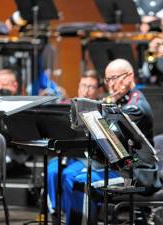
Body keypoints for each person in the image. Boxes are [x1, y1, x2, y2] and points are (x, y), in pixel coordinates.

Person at [67, 59, 159, 225]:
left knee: (83, 182)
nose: (111, 85)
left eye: (115, 78)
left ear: (129, 77)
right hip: (121, 169)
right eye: (108, 80)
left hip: (137, 174)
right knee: (75, 177)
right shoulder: (122, 101)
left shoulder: (136, 106)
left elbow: (110, 136)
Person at [47, 73, 101, 218]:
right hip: (68, 154)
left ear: (97, 91)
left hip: (87, 157)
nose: (86, 90)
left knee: (68, 175)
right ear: (78, 87)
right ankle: (55, 212)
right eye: (83, 85)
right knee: (51, 170)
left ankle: (71, 214)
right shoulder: (67, 107)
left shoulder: (99, 110)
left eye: (91, 87)